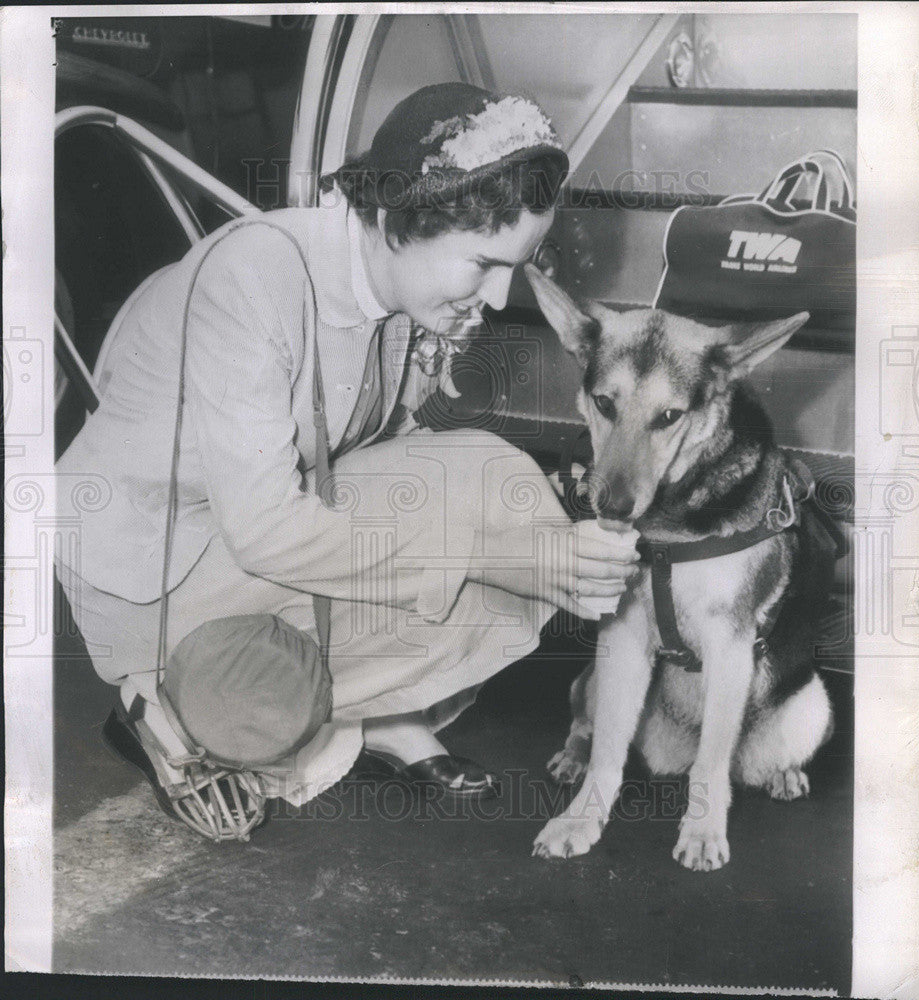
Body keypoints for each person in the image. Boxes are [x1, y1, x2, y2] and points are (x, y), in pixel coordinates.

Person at [55, 82, 639, 836]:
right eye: (484, 265)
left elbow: (383, 458)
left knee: (504, 493)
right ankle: (165, 702)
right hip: (154, 575)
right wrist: (491, 558)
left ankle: (367, 716)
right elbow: (267, 530)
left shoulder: (404, 292)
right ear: (403, 221)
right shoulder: (254, 276)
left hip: (243, 539)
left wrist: (553, 525)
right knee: (270, 700)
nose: (496, 299)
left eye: (514, 270)